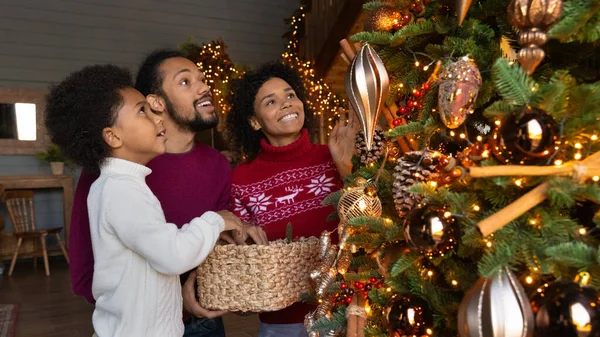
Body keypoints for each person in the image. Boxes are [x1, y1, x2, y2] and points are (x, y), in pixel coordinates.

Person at [68, 49, 266, 336]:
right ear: (156, 102)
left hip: (203, 320)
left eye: (202, 78)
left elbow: (217, 242)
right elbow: (89, 266)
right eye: (185, 82)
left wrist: (195, 286)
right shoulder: (113, 170)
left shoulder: (216, 164)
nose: (204, 87)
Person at [225, 62, 358, 337]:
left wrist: (347, 169)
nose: (286, 104)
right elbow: (242, 261)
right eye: (270, 102)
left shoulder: (333, 156)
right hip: (281, 326)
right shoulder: (241, 180)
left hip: (348, 312)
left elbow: (368, 224)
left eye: (290, 95)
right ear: (254, 120)